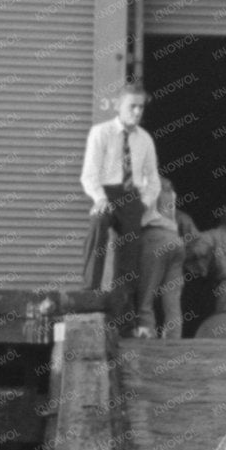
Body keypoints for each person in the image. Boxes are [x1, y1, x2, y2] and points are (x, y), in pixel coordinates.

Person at [78, 85, 160, 331]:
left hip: (131, 196)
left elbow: (152, 179)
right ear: (118, 106)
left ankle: (121, 317)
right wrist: (100, 199)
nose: (137, 112)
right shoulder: (100, 133)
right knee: (98, 224)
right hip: (106, 192)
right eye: (131, 106)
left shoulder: (145, 139)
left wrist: (142, 204)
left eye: (140, 107)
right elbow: (89, 174)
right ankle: (89, 293)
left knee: (129, 255)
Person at [135, 181, 192, 338]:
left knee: (146, 293)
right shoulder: (167, 185)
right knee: (172, 296)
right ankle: (173, 339)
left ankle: (147, 335)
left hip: (154, 236)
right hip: (174, 238)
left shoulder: (145, 181)